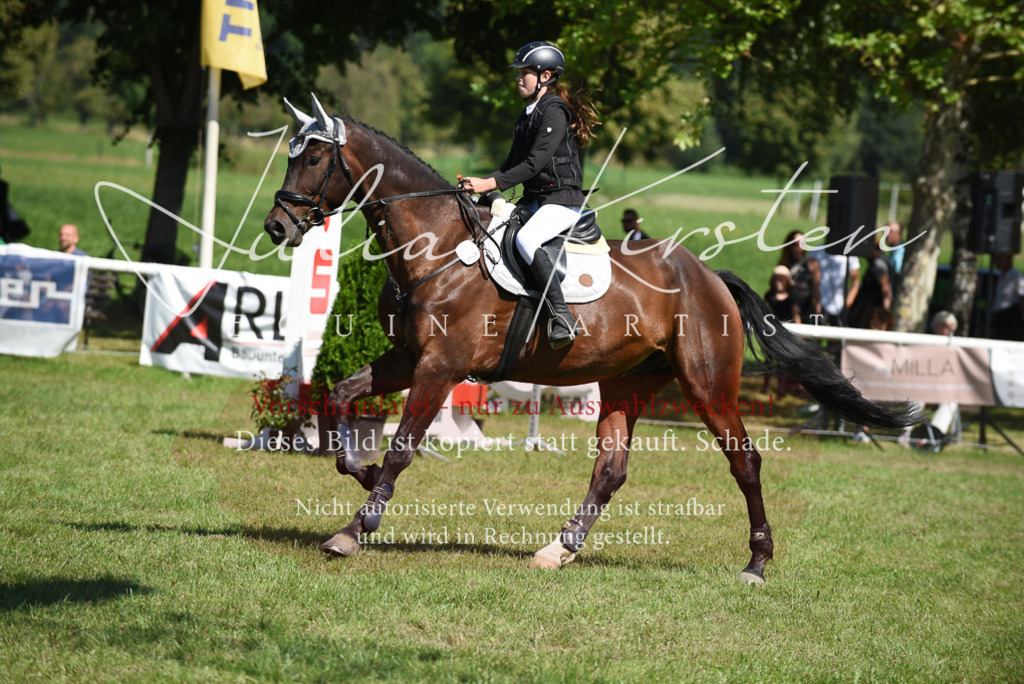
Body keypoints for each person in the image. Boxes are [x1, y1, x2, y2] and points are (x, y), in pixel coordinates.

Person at [459, 41, 599, 349]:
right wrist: (481, 186)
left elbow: (535, 164)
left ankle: (562, 316)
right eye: (519, 73)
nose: (519, 79)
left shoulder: (554, 113)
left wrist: (489, 184)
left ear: (546, 76)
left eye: (526, 73)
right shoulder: (527, 115)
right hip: (536, 200)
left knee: (526, 240)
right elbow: (512, 164)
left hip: (562, 201)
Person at [848, 236, 892, 329]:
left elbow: (886, 288)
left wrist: (884, 313)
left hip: (873, 309)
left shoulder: (879, 264)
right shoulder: (876, 261)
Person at [810, 245, 859, 326]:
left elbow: (855, 283)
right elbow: (813, 282)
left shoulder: (851, 255)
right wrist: (817, 302)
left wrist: (847, 304)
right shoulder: (816, 252)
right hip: (820, 305)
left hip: (841, 306)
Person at [777, 230, 821, 323]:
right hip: (787, 306)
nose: (798, 247)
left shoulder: (811, 263)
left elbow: (816, 286)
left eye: (802, 244)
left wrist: (818, 306)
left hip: (806, 306)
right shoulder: (783, 263)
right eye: (795, 244)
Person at [990, 253, 1024, 341]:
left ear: (1007, 260)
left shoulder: (1017, 277)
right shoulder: (1001, 275)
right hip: (998, 317)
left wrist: (1015, 315)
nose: (997, 262)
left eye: (999, 259)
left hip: (1010, 320)